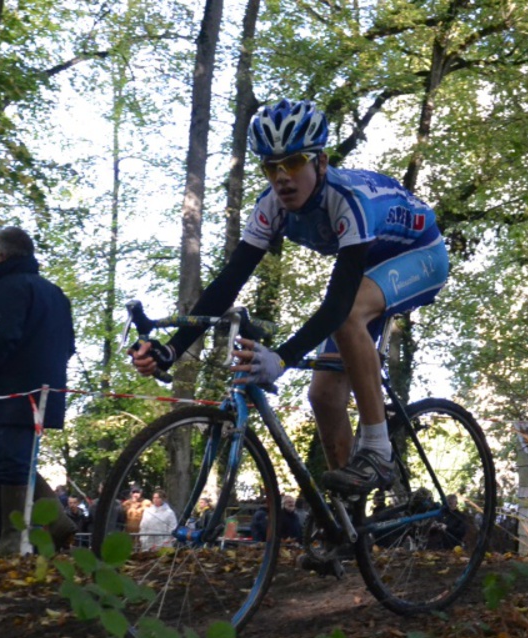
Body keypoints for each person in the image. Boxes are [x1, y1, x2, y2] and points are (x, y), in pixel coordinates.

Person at [131, 98, 448, 502]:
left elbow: (337, 306)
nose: (282, 177)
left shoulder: (347, 199)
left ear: (321, 162)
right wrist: (172, 350)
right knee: (323, 397)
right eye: (271, 166)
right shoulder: (270, 206)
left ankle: (378, 450)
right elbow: (228, 282)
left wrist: (280, 359)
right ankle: (348, 515)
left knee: (348, 313)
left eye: (294, 162)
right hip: (369, 264)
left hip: (420, 253)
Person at [0, 227, 77, 558]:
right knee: (16, 460)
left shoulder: (9, 287)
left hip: (7, 393)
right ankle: (57, 522)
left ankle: (11, 540)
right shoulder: (55, 294)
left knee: (9, 463)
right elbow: (69, 346)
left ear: (2, 255)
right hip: (43, 391)